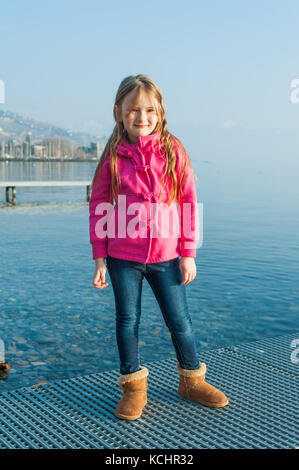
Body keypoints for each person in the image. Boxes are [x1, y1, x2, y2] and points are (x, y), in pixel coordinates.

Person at [89, 74, 228, 420]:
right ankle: (133, 388)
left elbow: (188, 202)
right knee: (127, 322)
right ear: (119, 112)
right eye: (133, 109)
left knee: (180, 321)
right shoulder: (113, 158)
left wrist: (189, 253)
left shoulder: (173, 150)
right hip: (123, 258)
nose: (142, 116)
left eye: (149, 109)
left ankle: (191, 379)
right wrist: (99, 258)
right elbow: (99, 207)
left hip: (167, 258)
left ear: (160, 111)